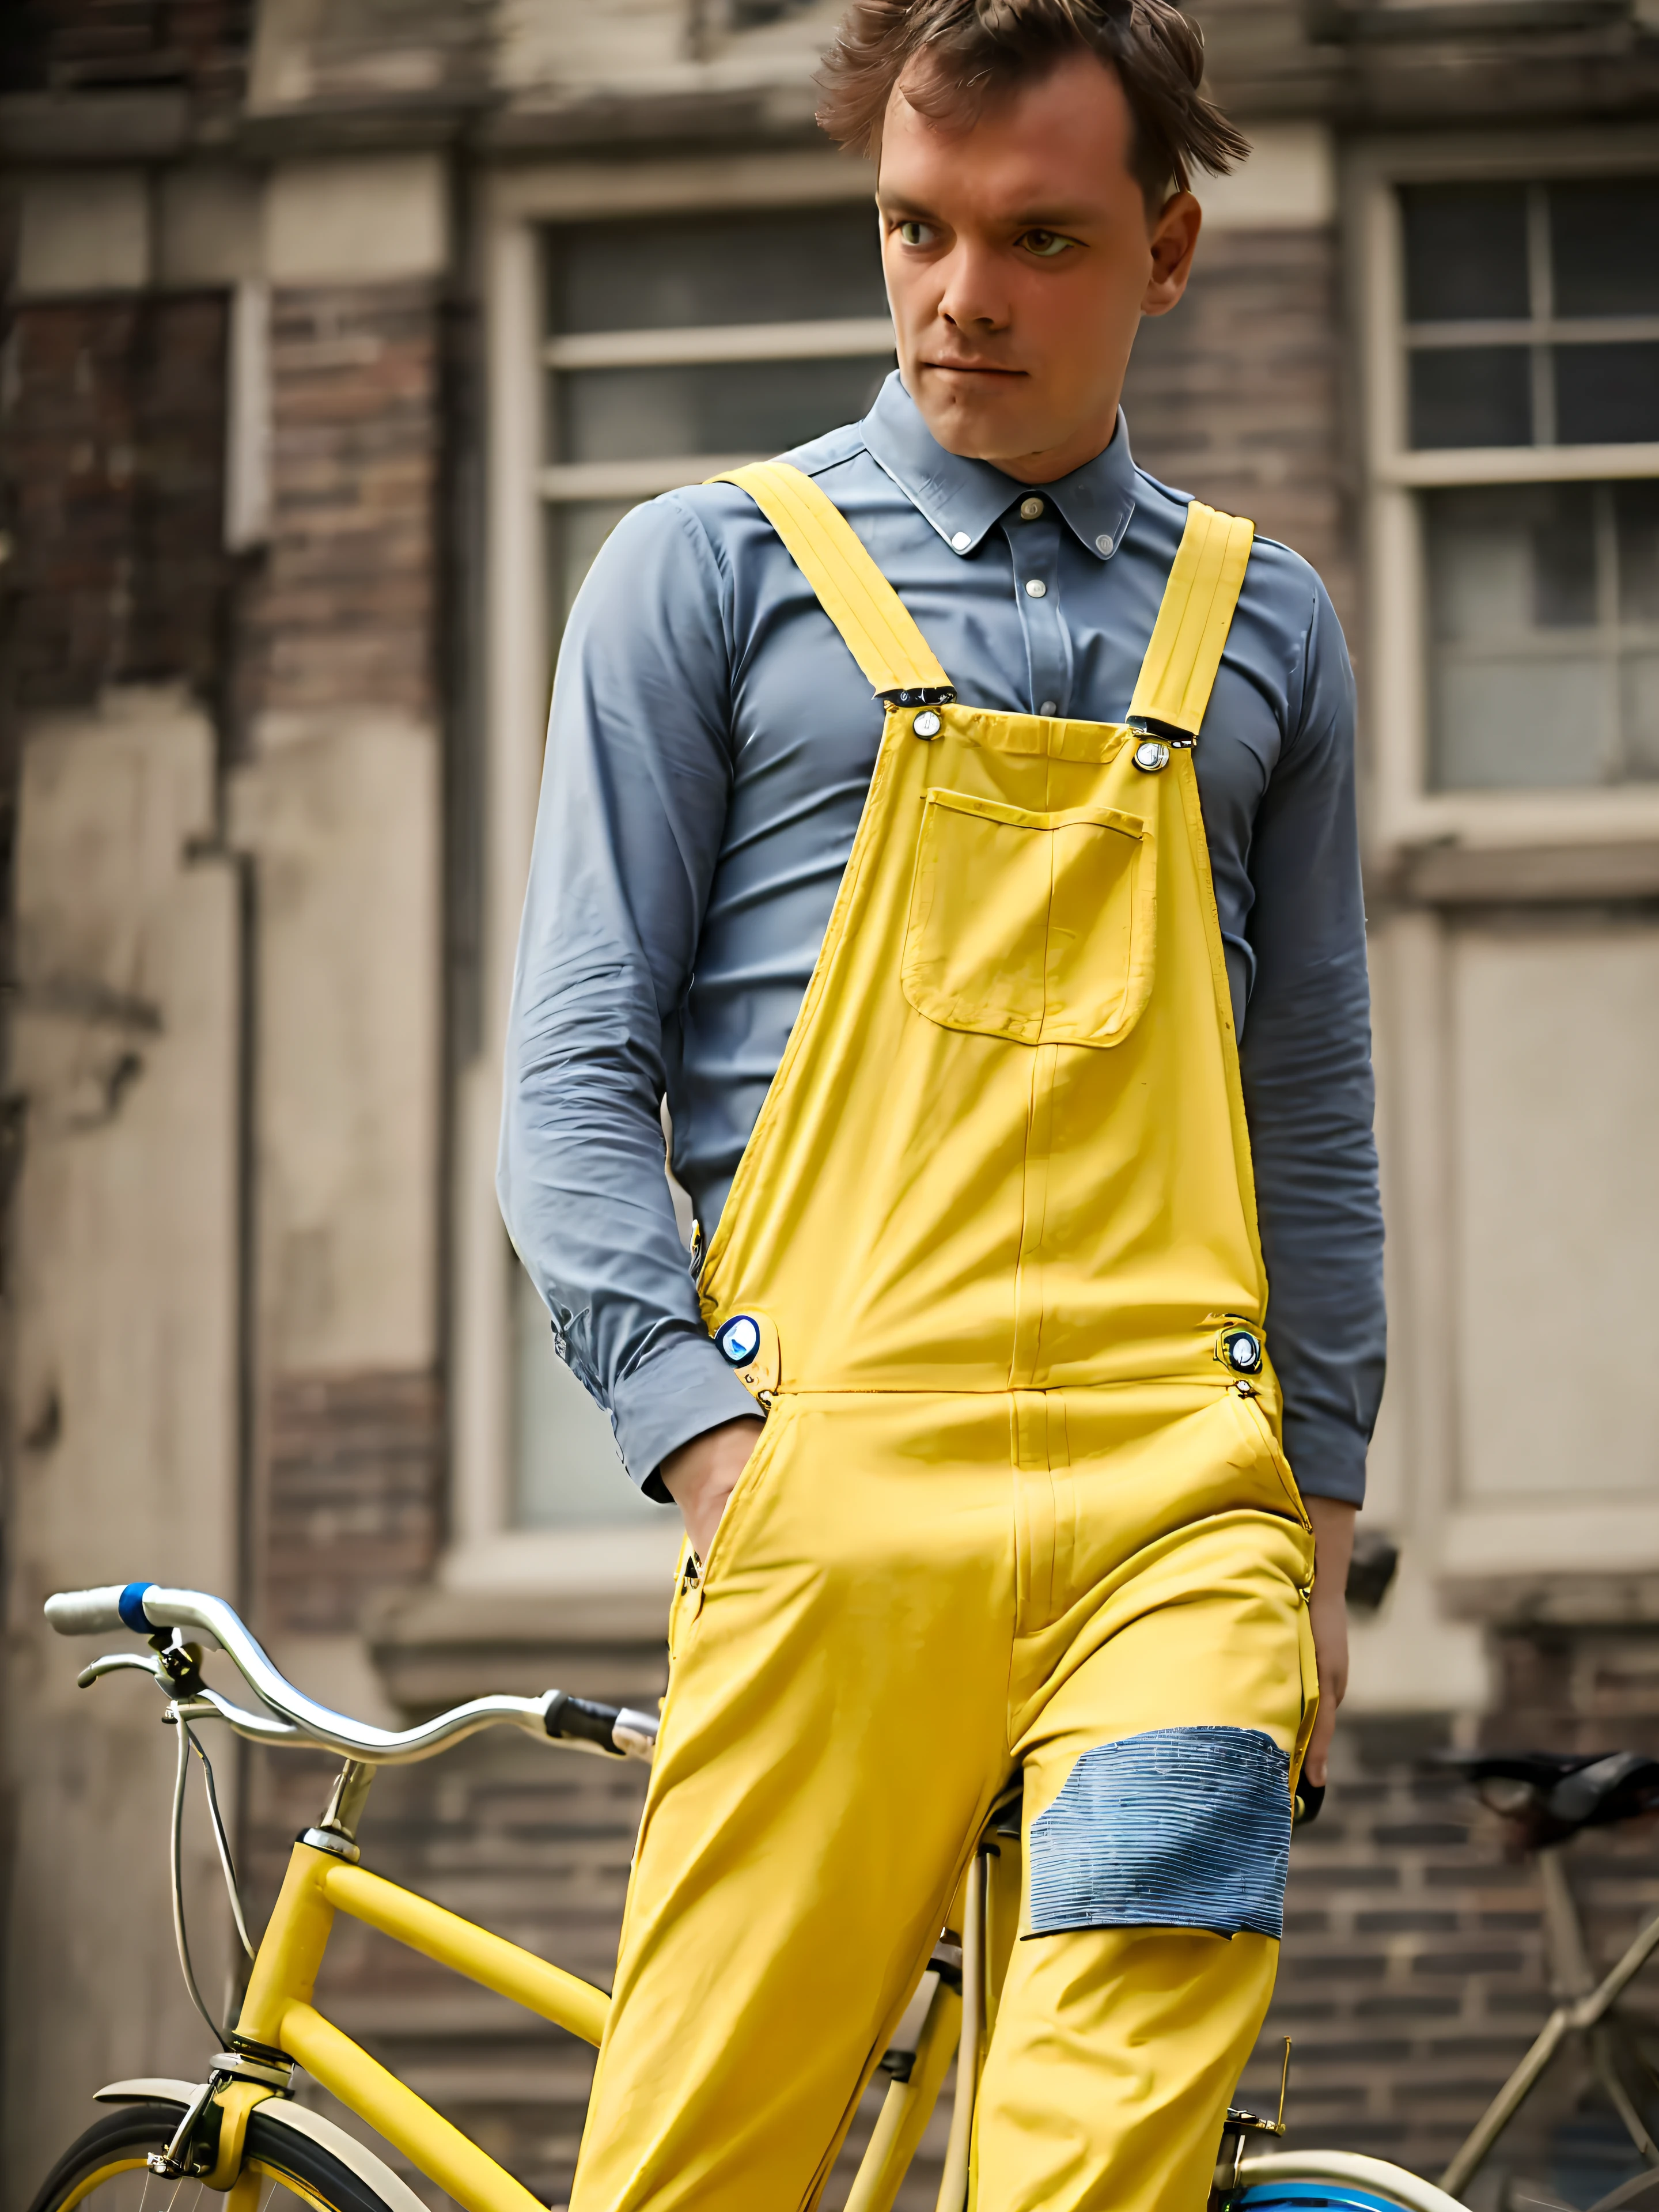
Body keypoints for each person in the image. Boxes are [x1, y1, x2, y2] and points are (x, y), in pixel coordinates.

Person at [499, 0, 1384, 2201]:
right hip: (826, 1492)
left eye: (1039, 239)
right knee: (691, 2170)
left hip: (1181, 1519)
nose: (959, 297)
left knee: (1106, 2168)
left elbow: (1315, 1112)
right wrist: (705, 1448)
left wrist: (1321, 1524)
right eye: (916, 229)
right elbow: (573, 1069)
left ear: (1166, 253)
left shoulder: (1265, 625)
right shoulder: (700, 574)